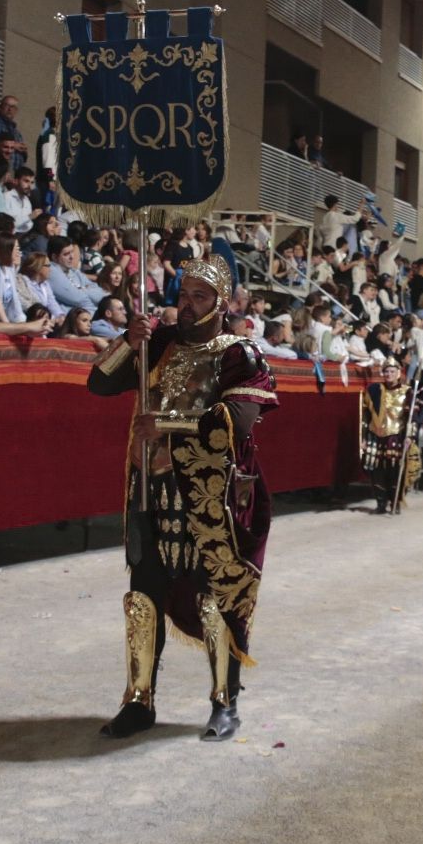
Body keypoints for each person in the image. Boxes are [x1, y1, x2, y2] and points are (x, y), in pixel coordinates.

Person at [87, 254, 279, 741]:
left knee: (215, 599)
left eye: (200, 295)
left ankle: (225, 701)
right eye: (183, 294)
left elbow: (240, 418)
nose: (188, 305)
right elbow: (100, 383)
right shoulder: (160, 344)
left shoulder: (241, 353)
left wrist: (169, 425)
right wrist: (126, 344)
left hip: (210, 496)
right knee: (142, 597)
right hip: (149, 489)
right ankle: (138, 700)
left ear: (222, 301)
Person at [358, 360, 422, 514]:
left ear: (398, 373)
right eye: (386, 371)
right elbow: (365, 415)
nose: (389, 374)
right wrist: (364, 437)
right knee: (376, 469)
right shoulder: (374, 390)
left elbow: (412, 416)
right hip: (376, 434)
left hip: (396, 436)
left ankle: (395, 501)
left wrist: (410, 436)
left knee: (394, 469)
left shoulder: (407, 392)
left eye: (392, 371)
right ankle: (380, 502)